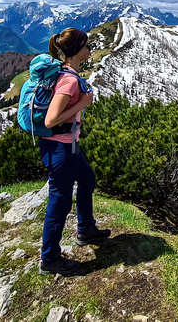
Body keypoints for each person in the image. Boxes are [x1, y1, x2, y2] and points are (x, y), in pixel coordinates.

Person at [38, 27, 111, 275]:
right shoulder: (68, 80)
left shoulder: (67, 73)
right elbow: (50, 120)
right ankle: (49, 259)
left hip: (67, 144)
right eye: (86, 44)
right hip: (60, 147)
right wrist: (81, 103)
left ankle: (86, 229)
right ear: (77, 50)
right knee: (59, 201)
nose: (90, 47)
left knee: (87, 179)